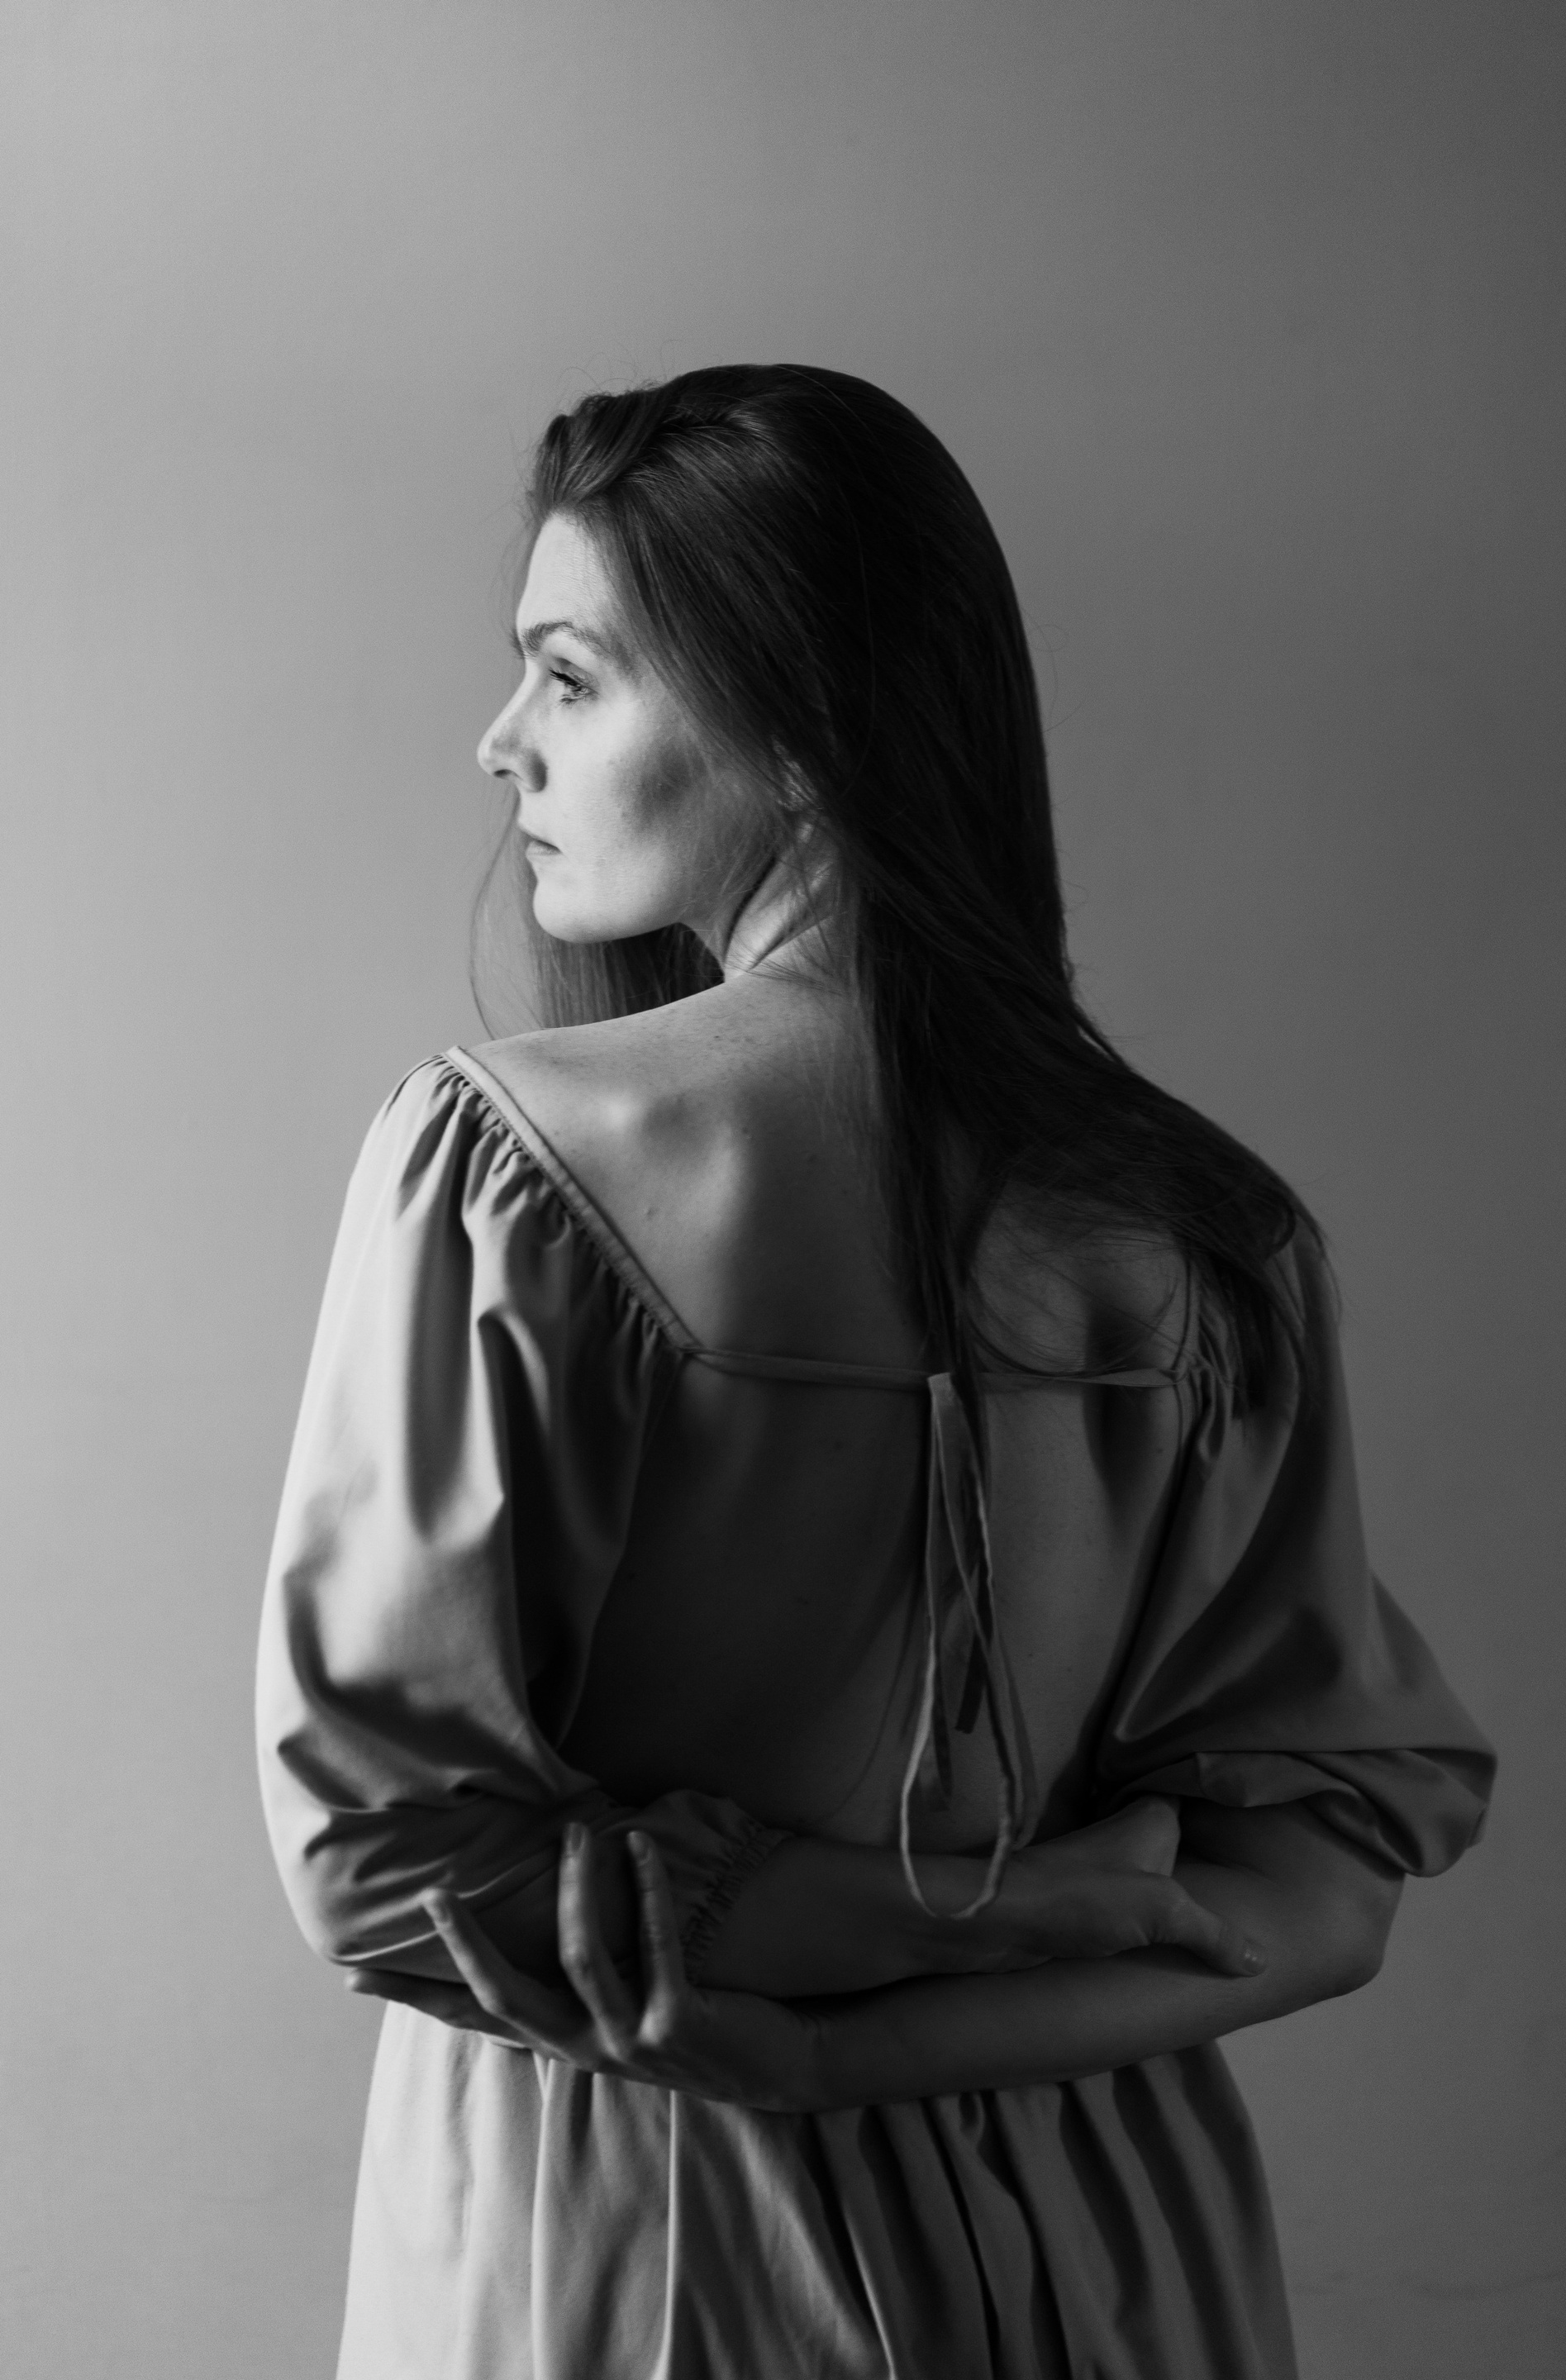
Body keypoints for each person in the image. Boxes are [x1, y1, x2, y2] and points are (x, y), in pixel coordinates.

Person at [257, 364, 1493, 2380]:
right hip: (1111, 2255)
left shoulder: (501, 1167)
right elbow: (1325, 1887)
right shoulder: (1210, 1231)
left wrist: (812, 1998)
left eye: (569, 676)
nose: (501, 742)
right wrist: (995, 1925)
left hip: (640, 2238)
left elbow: (386, 1863)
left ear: (803, 719)